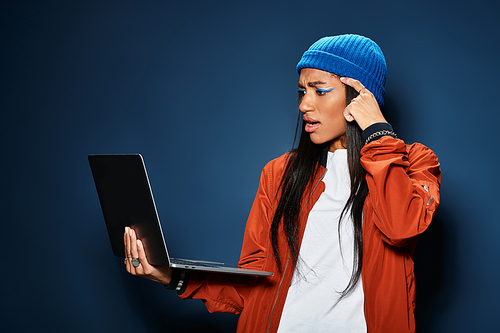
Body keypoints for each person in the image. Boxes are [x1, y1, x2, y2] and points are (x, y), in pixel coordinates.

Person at [123, 34, 441, 333]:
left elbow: (402, 227)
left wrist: (377, 131)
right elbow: (255, 285)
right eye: (302, 92)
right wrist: (174, 277)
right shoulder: (280, 173)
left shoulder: (413, 163)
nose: (305, 104)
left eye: (320, 89)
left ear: (360, 96)